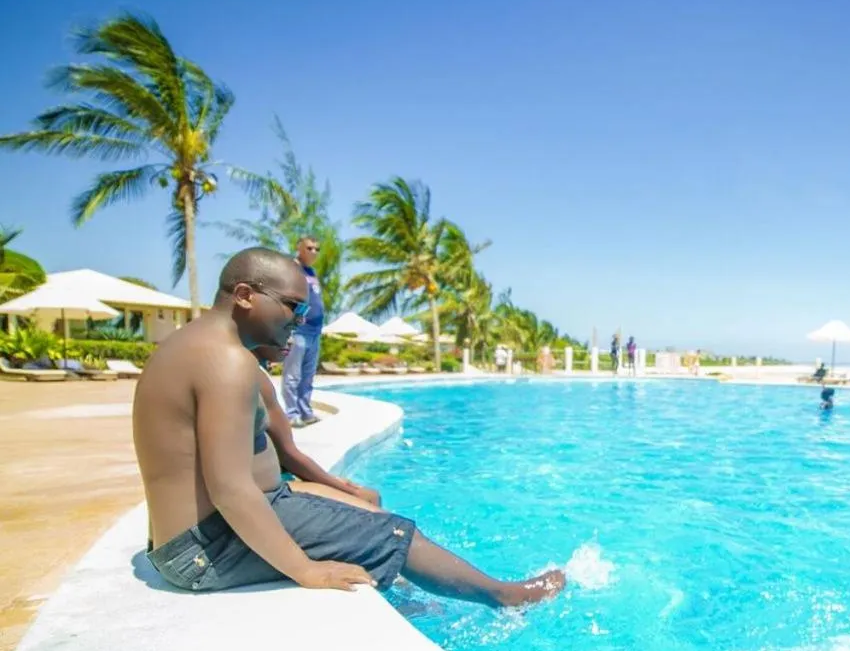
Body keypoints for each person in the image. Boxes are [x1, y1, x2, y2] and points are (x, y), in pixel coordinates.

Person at [134, 246, 565, 604]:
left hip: (193, 541)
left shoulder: (201, 345)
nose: (301, 319)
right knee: (394, 533)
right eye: (292, 306)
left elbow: (260, 462)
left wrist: (334, 492)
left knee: (367, 506)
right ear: (245, 294)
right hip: (205, 551)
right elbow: (229, 488)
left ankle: (410, 599)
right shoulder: (224, 361)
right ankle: (505, 597)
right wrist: (305, 570)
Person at [257, 342, 381, 508]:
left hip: (267, 483)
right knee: (370, 497)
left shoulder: (248, 372)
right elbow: (288, 454)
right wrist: (351, 492)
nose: (291, 340)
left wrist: (331, 483)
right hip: (268, 492)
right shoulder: (255, 376)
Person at [281, 237, 325, 428]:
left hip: (315, 331)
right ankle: (291, 414)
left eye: (317, 248)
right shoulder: (292, 269)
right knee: (293, 376)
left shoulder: (311, 272)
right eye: (309, 248)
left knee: (308, 376)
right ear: (299, 248)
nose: (314, 252)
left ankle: (306, 412)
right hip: (298, 329)